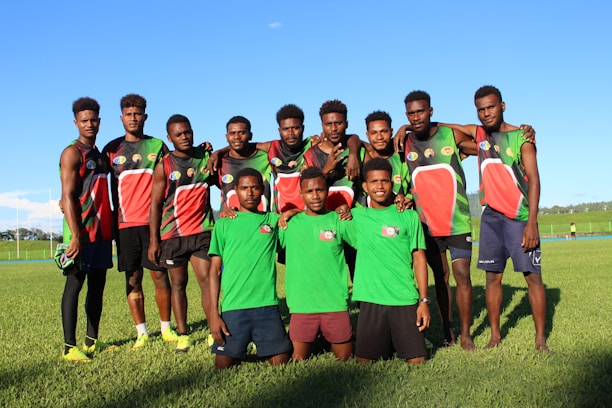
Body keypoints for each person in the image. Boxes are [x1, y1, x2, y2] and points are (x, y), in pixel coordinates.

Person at [470, 85, 550, 352]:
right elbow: (442, 127)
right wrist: (404, 130)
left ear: (502, 106)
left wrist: (532, 223)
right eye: (481, 109)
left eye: (491, 107)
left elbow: (535, 180)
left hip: (520, 218)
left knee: (532, 276)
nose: (486, 113)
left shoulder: (522, 138)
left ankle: (540, 339)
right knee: (492, 277)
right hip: (491, 217)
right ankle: (495, 335)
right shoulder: (479, 134)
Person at [401, 90, 477, 349]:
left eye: (420, 112)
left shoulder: (450, 136)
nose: (416, 117)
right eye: (410, 114)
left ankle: (466, 334)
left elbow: (482, 142)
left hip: (457, 221)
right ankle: (448, 331)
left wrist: (439, 125)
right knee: (441, 277)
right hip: (427, 225)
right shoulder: (405, 143)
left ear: (431, 111)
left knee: (461, 273)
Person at [102, 94, 178, 349]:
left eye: (138, 114)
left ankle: (166, 329)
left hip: (153, 224)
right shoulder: (111, 149)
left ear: (145, 116)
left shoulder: (157, 146)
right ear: (121, 117)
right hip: (124, 226)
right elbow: (94, 179)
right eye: (128, 114)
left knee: (159, 276)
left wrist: (206, 149)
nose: (133, 118)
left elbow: (179, 165)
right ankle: (142, 333)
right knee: (132, 279)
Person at [343, 158, 430, 363]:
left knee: (417, 361)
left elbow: (419, 259)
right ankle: (386, 340)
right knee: (364, 362)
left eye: (385, 181)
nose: (379, 186)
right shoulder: (354, 217)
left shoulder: (408, 216)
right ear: (365, 186)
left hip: (404, 298)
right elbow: (317, 217)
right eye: (374, 182)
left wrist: (423, 301)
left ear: (393, 184)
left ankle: (397, 338)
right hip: (371, 299)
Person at [208, 168, 292, 369]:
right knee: (223, 366)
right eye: (244, 188)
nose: (250, 192)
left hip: (266, 306)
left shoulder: (272, 221)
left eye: (255, 187)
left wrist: (292, 211)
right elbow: (214, 271)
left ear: (262, 190)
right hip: (234, 308)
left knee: (281, 363)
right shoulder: (223, 224)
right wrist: (213, 314)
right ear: (235, 190)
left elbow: (299, 219)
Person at [148, 114, 216, 353]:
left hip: (201, 233)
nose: (185, 137)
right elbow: (155, 204)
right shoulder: (164, 165)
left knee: (208, 283)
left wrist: (214, 151)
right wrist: (154, 240)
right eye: (179, 134)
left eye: (188, 132)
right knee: (178, 284)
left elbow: (225, 181)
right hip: (172, 236)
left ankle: (213, 331)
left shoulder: (205, 158)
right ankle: (184, 334)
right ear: (170, 138)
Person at [59, 97, 114, 362]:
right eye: (84, 120)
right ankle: (70, 348)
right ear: (75, 123)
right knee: (74, 284)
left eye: (93, 120)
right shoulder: (72, 153)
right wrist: (76, 234)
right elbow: (68, 196)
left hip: (102, 234)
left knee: (98, 287)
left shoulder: (101, 156)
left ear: (99, 122)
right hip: (81, 233)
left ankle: (91, 342)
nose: (89, 124)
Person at [278, 167, 353, 361]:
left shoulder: (340, 220)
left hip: (334, 304)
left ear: (327, 190)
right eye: (309, 191)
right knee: (297, 359)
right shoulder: (289, 223)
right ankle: (316, 337)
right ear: (301, 193)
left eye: (320, 190)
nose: (315, 196)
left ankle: (325, 336)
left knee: (345, 358)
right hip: (302, 306)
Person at [215, 116, 273, 216]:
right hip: (231, 223)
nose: (237, 137)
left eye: (242, 132)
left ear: (250, 135)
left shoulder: (266, 156)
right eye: (232, 133)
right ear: (227, 137)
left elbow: (282, 147)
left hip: (262, 223)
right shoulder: (219, 161)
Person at [359, 111, 410, 208]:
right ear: (367, 135)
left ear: (392, 131)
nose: (379, 137)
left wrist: (406, 127)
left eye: (383, 131)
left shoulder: (402, 151)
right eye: (374, 132)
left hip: (400, 215)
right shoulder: (361, 155)